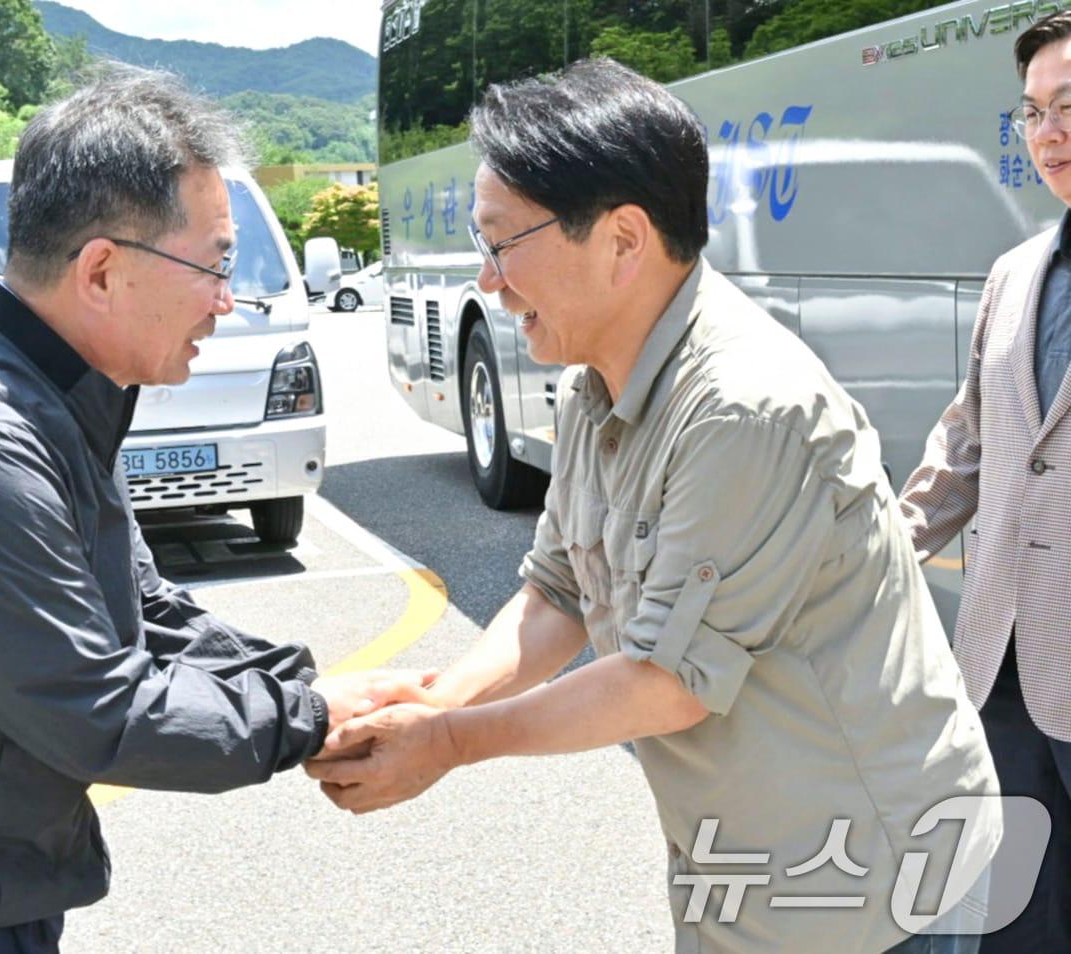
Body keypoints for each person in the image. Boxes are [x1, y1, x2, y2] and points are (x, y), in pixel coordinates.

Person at [307, 59, 1002, 953]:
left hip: (872, 876)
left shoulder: (743, 409)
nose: (488, 280)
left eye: (503, 244)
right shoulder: (596, 383)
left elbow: (665, 682)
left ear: (624, 240)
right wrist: (440, 701)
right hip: (747, 863)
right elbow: (557, 591)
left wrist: (446, 743)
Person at [0, 67, 422, 953]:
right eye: (215, 264)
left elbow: (143, 609)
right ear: (101, 270)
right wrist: (311, 720)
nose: (226, 299)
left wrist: (304, 691)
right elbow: (96, 712)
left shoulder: (46, 395)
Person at [898, 11, 1071, 950]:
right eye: (1033, 113)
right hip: (1002, 654)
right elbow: (968, 440)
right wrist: (880, 548)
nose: (1049, 133)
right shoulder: (1016, 272)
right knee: (1018, 914)